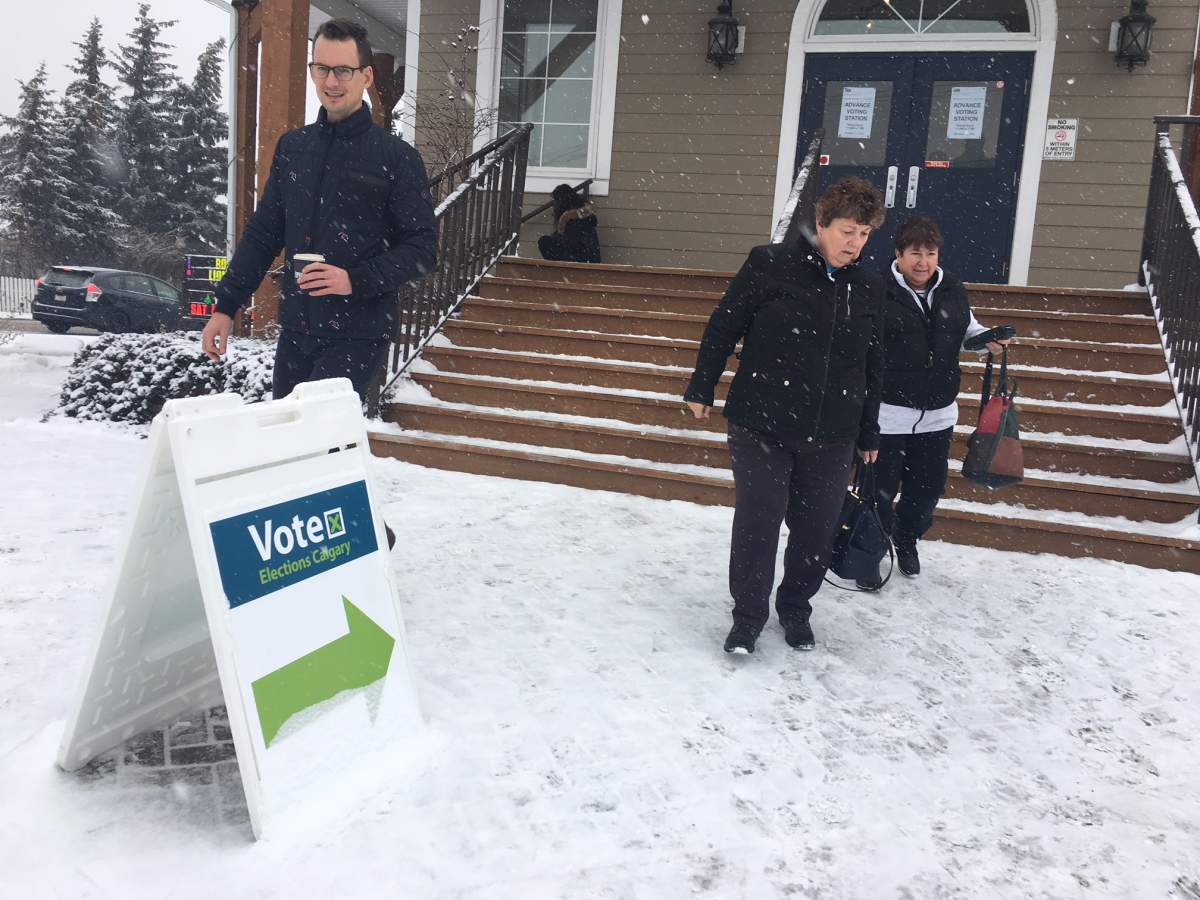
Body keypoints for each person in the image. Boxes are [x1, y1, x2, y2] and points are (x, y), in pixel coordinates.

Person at [683, 177, 886, 655]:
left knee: (816, 528)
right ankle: (748, 616)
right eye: (847, 232)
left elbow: (873, 362)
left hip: (834, 430)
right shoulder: (770, 265)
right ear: (820, 224)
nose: (855, 245)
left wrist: (868, 428)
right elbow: (724, 324)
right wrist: (702, 384)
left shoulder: (869, 286)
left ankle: (796, 606)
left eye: (864, 234)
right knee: (760, 519)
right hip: (761, 423)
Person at [201, 18, 437, 407]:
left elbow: (423, 249)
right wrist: (226, 306)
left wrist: (355, 280)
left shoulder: (396, 159)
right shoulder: (294, 149)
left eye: (343, 70)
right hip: (297, 328)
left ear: (366, 77)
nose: (331, 82)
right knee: (293, 448)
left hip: (358, 333)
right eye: (321, 68)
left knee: (316, 442)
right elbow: (264, 233)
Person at [863, 215, 1010, 588]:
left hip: (938, 414)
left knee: (927, 490)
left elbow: (966, 331)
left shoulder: (953, 291)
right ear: (898, 254)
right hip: (888, 413)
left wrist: (986, 341)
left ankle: (907, 537)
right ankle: (871, 550)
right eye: (915, 253)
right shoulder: (877, 288)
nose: (923, 262)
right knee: (879, 490)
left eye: (930, 253)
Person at [537, 184, 601, 263]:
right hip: (586, 258)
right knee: (547, 242)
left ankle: (557, 269)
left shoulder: (576, 220)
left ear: (562, 202)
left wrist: (556, 239)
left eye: (556, 202)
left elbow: (571, 244)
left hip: (582, 261)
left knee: (544, 242)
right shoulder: (580, 217)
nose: (554, 206)